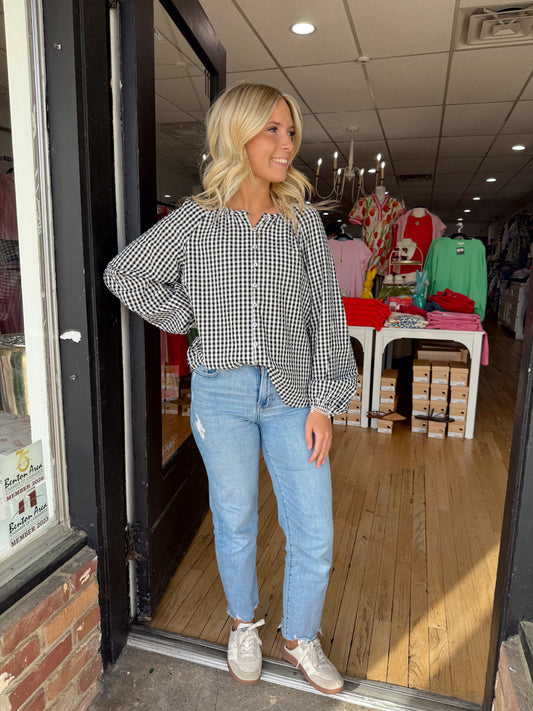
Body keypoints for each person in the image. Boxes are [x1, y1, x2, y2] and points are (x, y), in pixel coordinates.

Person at [104, 82, 358, 695]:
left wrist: (325, 402)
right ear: (237, 134)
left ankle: (300, 636)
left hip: (294, 394)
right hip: (221, 395)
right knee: (235, 516)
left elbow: (328, 315)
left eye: (290, 131)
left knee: (314, 528)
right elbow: (124, 274)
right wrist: (192, 318)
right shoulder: (196, 220)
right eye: (272, 129)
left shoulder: (301, 223)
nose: (286, 143)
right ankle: (243, 625)